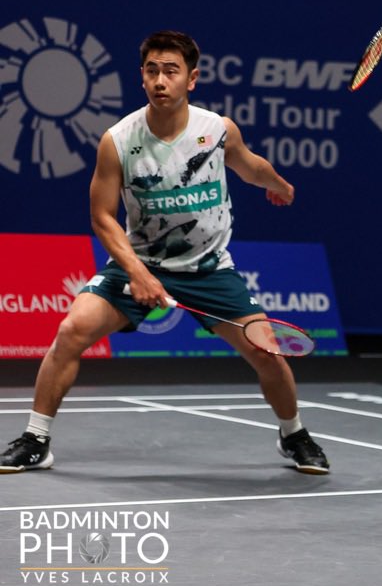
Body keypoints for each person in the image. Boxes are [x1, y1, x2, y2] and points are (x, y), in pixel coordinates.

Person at [0, 30, 329, 476]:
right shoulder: (118, 141)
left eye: (171, 71)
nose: (160, 80)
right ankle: (36, 439)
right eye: (152, 70)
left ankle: (294, 435)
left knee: (267, 351)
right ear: (142, 77)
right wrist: (137, 272)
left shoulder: (216, 130)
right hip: (141, 262)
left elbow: (250, 165)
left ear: (191, 79)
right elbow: (102, 218)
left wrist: (278, 185)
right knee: (72, 330)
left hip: (209, 269)